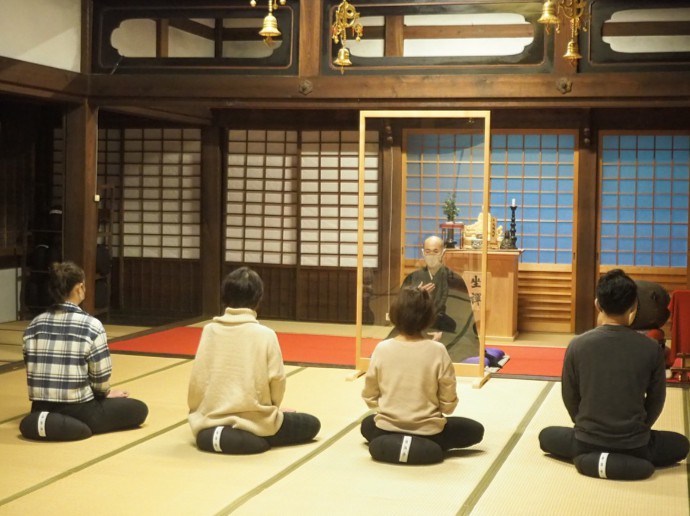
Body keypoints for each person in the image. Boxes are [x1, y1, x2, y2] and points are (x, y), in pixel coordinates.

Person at [539, 269, 689, 480]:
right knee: (681, 445)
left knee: (546, 436)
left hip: (585, 440)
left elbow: (569, 396)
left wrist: (584, 426)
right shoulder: (651, 349)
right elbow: (656, 400)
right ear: (634, 306)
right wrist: (639, 430)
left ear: (597, 304)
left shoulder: (577, 345)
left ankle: (591, 459)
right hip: (635, 444)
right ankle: (628, 462)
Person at [188, 266, 320, 454]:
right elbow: (277, 381)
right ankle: (247, 435)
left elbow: (197, 381)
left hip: (210, 419)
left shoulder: (209, 330)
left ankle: (222, 435)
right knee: (311, 424)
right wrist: (274, 410)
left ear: (225, 296)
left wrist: (198, 411)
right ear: (258, 299)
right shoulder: (265, 334)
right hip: (255, 419)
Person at [21, 261, 148, 441]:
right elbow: (100, 376)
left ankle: (50, 423)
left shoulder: (34, 325)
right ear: (80, 287)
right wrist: (104, 395)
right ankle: (74, 425)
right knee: (139, 409)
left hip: (40, 406)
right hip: (80, 407)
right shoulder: (91, 325)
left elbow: (31, 367)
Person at [361, 286, 484, 464]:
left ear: (395, 315)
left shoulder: (382, 348)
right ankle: (425, 445)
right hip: (428, 431)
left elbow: (369, 396)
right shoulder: (438, 350)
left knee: (368, 424)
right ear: (428, 318)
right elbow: (448, 402)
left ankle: (394, 443)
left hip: (387, 427)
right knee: (474, 430)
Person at [401, 235, 457, 333]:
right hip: (417, 321)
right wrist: (417, 294)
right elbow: (402, 305)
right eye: (428, 251)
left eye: (435, 251)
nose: (431, 255)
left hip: (441, 323)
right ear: (423, 253)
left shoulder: (452, 277)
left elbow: (457, 308)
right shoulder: (412, 277)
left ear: (443, 253)